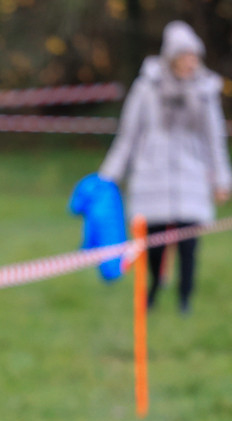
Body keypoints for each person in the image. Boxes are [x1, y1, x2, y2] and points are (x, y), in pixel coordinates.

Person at [99, 20, 231, 314]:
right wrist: (108, 178)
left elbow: (214, 140)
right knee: (155, 245)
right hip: (152, 177)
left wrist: (221, 181)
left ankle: (185, 299)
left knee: (188, 244)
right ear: (171, 57)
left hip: (191, 177)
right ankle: (156, 289)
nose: (190, 63)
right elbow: (128, 136)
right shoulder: (146, 87)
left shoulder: (205, 90)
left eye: (194, 57)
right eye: (185, 57)